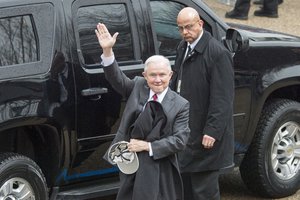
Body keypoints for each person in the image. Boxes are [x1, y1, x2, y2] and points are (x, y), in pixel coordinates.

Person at [95, 23, 190, 200]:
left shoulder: (180, 104)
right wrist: (107, 51)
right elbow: (116, 78)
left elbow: (180, 140)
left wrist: (148, 147)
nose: (158, 80)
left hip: (160, 164)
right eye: (153, 75)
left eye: (162, 75)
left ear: (171, 76)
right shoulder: (138, 86)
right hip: (130, 160)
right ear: (145, 76)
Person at [172, 7, 234, 200]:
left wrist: (212, 131)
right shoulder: (183, 47)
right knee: (186, 190)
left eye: (188, 27)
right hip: (187, 131)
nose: (184, 32)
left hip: (206, 137)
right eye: (180, 28)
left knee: (204, 192)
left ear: (200, 24)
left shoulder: (217, 53)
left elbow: (222, 98)